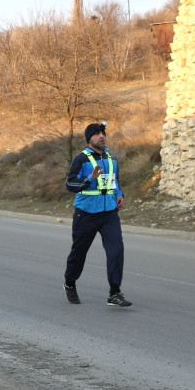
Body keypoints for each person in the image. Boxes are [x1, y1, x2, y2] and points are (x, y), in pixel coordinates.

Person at [62, 122, 132, 307]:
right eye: (96, 134)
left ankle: (114, 293)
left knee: (116, 250)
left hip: (109, 214)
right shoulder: (80, 159)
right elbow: (70, 184)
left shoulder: (112, 159)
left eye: (103, 133)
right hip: (86, 213)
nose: (101, 136)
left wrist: (119, 195)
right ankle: (70, 283)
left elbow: (115, 182)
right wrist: (88, 179)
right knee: (79, 252)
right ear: (89, 139)